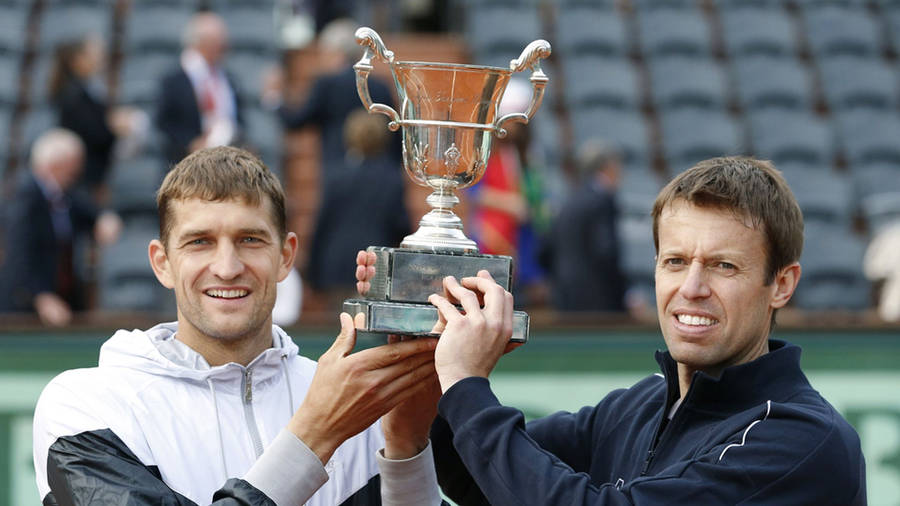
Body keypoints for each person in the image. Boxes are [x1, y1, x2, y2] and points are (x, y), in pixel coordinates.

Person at [356, 156, 867, 504]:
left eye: (723, 266)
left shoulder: (801, 441)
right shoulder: (641, 404)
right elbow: (484, 480)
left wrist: (466, 384)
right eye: (675, 260)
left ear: (781, 284)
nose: (691, 287)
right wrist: (431, 348)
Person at [33, 146, 443, 505]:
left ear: (285, 256)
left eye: (250, 240)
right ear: (162, 263)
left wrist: (406, 444)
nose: (227, 268)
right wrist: (314, 436)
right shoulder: (88, 405)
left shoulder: (356, 405)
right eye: (200, 242)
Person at [0, 129, 121, 326]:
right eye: (74, 163)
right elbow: (18, 253)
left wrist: (102, 218)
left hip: (62, 296)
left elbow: (86, 209)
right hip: (24, 306)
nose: (79, 169)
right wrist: (41, 296)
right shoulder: (23, 199)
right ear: (56, 165)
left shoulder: (64, 194)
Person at [268, 18, 398, 183]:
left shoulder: (326, 84)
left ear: (335, 52)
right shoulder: (381, 86)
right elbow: (395, 130)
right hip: (380, 174)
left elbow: (296, 121)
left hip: (337, 172)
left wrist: (274, 96)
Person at [306, 108, 410, 304]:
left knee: (339, 326)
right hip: (374, 265)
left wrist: (312, 272)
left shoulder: (336, 175)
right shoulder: (391, 178)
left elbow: (323, 223)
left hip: (336, 265)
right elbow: (400, 224)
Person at [49, 34, 140, 197]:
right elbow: (93, 134)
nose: (99, 59)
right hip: (84, 175)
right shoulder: (74, 95)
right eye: (93, 54)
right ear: (78, 60)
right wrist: (114, 126)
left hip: (94, 172)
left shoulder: (88, 89)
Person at [541, 139, 626, 313]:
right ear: (608, 168)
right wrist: (624, 293)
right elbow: (606, 251)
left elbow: (545, 250)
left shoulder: (569, 200)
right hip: (598, 299)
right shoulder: (602, 201)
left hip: (565, 297)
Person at [155, 12, 242, 169]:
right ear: (201, 42)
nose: (223, 47)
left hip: (224, 165)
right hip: (185, 166)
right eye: (217, 42)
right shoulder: (173, 79)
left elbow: (239, 119)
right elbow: (164, 123)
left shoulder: (228, 79)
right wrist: (190, 143)